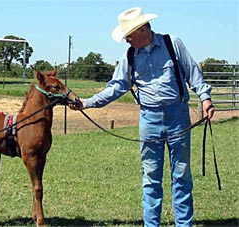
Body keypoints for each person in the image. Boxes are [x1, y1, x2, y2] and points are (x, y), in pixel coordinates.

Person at [70, 7, 215, 227]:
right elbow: (116, 87)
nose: (126, 40)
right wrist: (87, 103)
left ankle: (184, 224)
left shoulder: (172, 44)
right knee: (150, 177)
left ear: (142, 29)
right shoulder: (129, 56)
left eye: (129, 34)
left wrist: (205, 98)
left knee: (182, 173)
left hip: (178, 116)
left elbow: (193, 73)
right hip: (149, 119)